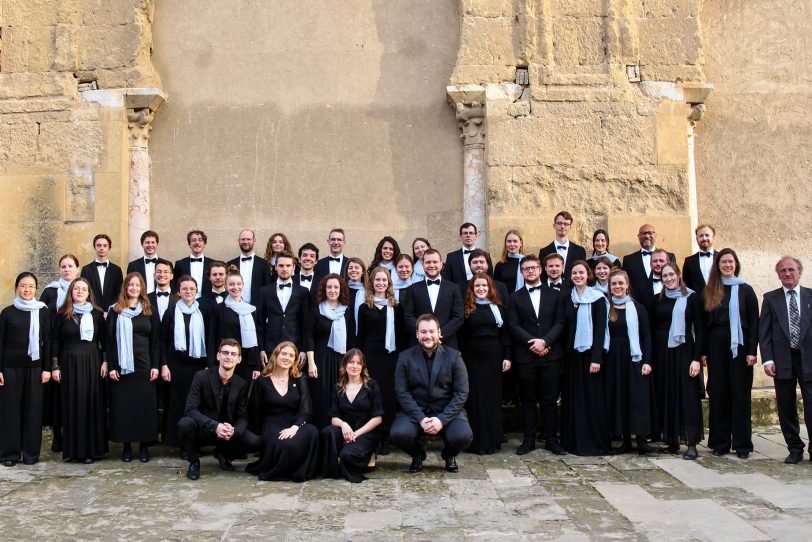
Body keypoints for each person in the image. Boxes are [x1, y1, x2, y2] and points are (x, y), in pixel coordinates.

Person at [391, 315, 472, 473]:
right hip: (415, 411)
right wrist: (420, 418)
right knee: (398, 434)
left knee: (463, 436)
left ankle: (448, 455)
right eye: (423, 332)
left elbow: (462, 392)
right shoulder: (404, 357)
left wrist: (442, 419)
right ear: (417, 334)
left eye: (431, 331)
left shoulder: (455, 357)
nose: (427, 336)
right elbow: (401, 392)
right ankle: (418, 455)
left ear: (439, 332)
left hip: (446, 410)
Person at [506, 254, 567, 455]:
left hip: (550, 355)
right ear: (522, 272)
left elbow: (560, 322)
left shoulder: (556, 295)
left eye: (533, 268)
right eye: (526, 269)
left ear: (541, 270)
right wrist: (533, 343)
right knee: (528, 399)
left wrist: (546, 342)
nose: (530, 271)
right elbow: (513, 325)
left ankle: (551, 439)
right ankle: (528, 439)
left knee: (549, 400)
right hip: (526, 356)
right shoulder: (514, 297)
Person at [701, 248, 759, 458]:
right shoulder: (710, 290)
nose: (727, 265)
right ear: (718, 266)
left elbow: (754, 323)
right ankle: (720, 442)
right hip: (716, 345)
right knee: (719, 393)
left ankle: (742, 444)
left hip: (740, 347)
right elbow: (704, 324)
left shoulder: (746, 290)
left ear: (736, 265)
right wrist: (704, 351)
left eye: (730, 262)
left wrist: (752, 351)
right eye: (723, 262)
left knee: (740, 394)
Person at [178, 339, 260, 480]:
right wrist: (215, 426)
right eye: (225, 353)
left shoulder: (242, 384)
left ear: (239, 359)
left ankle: (224, 454)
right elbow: (190, 409)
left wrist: (234, 431)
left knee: (254, 441)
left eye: (233, 354)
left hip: (227, 433)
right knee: (185, 424)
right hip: (205, 428)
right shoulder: (201, 377)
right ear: (218, 356)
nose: (229, 357)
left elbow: (242, 417)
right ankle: (194, 462)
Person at [759, 256, 812, 464]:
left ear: (799, 272)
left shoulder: (810, 296)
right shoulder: (771, 299)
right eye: (783, 270)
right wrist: (767, 360)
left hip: (808, 358)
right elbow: (764, 333)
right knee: (786, 406)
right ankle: (794, 448)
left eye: (791, 269)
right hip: (782, 359)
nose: (787, 273)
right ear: (778, 275)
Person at [51, 277, 108, 463]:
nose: (80, 292)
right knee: (72, 405)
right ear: (71, 292)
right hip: (69, 363)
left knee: (91, 404)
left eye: (84, 289)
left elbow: (105, 342)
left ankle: (90, 451)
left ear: (89, 293)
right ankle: (73, 450)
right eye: (76, 289)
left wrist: (105, 362)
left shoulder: (97, 314)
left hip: (92, 361)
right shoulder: (62, 315)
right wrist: (55, 366)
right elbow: (55, 342)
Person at [246, 342, 319, 482]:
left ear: (295, 360)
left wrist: (295, 427)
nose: (287, 358)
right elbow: (255, 411)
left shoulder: (299, 378)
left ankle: (300, 471)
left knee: (312, 432)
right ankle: (283, 471)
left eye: (291, 355)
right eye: (284, 354)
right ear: (276, 356)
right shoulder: (262, 380)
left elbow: (306, 410)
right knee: (285, 444)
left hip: (294, 422)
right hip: (271, 423)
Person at [106, 272, 160, 463]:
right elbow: (109, 341)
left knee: (144, 405)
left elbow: (155, 341)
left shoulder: (149, 309)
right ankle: (127, 446)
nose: (134, 288)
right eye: (131, 285)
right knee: (124, 407)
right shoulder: (115, 310)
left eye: (137, 285)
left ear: (142, 288)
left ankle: (144, 446)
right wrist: (112, 366)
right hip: (122, 366)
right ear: (125, 287)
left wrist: (155, 366)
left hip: (144, 365)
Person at [652, 262, 704, 460]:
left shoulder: (691, 298)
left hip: (684, 351)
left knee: (687, 395)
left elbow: (700, 331)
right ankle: (672, 440)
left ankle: (691, 444)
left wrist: (696, 359)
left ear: (678, 274)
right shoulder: (657, 299)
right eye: (664, 276)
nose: (668, 279)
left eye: (671, 275)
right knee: (667, 393)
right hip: (661, 351)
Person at [0, 272, 51, 466]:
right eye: (23, 286)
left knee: (33, 411)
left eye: (30, 286)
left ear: (36, 289)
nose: (27, 289)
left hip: (36, 369)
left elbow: (48, 341)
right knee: (10, 412)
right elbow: (1, 342)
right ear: (16, 288)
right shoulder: (7, 313)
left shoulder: (42, 311)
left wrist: (47, 368)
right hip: (11, 368)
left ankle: (30, 454)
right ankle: (9, 454)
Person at [560, 261, 610, 456]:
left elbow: (600, 330)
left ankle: (592, 442)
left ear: (588, 274)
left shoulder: (597, 299)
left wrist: (597, 358)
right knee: (573, 399)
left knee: (591, 399)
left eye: (581, 272)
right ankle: (573, 441)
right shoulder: (567, 298)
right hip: (573, 356)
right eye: (574, 273)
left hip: (591, 356)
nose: (578, 276)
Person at [604, 269, 655, 455]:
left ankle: (641, 440)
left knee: (637, 397)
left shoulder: (638, 308)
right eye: (614, 284)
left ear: (627, 286)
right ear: (610, 288)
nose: (617, 287)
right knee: (620, 397)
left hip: (635, 357)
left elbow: (646, 337)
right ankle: (625, 440)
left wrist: (647, 361)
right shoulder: (606, 307)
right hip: (613, 359)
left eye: (620, 283)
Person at [460, 273, 511, 454]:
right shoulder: (467, 309)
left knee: (492, 398)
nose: (481, 289)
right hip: (472, 359)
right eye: (477, 286)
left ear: (490, 288)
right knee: (475, 399)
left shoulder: (498, 308)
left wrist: (507, 357)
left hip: (494, 358)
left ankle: (493, 439)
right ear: (472, 289)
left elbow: (505, 335)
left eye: (484, 286)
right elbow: (462, 337)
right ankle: (476, 441)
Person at [357, 267, 403, 455]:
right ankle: (373, 435)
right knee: (372, 395)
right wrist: (360, 359)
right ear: (372, 283)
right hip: (371, 356)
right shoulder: (364, 307)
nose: (381, 283)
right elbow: (361, 336)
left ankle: (386, 436)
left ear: (389, 283)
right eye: (377, 280)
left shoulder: (397, 307)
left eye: (384, 280)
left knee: (389, 396)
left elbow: (401, 335)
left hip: (391, 357)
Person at [160, 276, 208, 452]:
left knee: (196, 404)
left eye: (192, 289)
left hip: (198, 366)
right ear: (178, 292)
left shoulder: (203, 311)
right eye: (185, 289)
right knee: (178, 404)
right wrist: (164, 365)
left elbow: (208, 339)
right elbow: (162, 341)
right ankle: (181, 444)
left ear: (196, 292)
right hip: (176, 366)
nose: (188, 292)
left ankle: (196, 442)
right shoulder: (171, 312)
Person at [320, 349, 384, 483]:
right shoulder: (338, 387)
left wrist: (355, 434)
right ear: (345, 365)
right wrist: (344, 425)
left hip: (366, 431)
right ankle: (332, 469)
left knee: (347, 455)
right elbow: (334, 417)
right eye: (351, 362)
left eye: (358, 363)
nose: (354, 366)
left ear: (363, 367)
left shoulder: (371, 385)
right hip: (346, 429)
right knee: (327, 432)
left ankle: (361, 455)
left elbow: (378, 418)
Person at [41, 253, 80, 453]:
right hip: (55, 345)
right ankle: (57, 434)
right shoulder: (50, 292)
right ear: (59, 270)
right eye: (63, 266)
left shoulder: (83, 290)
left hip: (76, 348)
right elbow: (41, 317)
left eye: (70, 266)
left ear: (77, 269)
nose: (67, 269)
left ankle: (74, 433)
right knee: (57, 394)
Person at [306, 274, 355, 429]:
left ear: (341, 290)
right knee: (321, 394)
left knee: (340, 393)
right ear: (324, 289)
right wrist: (311, 363)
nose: (332, 290)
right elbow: (309, 338)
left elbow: (352, 339)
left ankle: (339, 429)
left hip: (342, 360)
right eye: (329, 287)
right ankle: (320, 428)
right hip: (320, 359)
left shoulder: (347, 311)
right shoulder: (316, 311)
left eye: (336, 287)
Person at [257, 251, 312, 368]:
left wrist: (303, 349)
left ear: (293, 267)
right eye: (281, 265)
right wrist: (261, 349)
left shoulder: (303, 292)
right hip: (270, 348)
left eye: (288, 266)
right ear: (275, 267)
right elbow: (260, 323)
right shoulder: (265, 291)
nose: (284, 269)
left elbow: (306, 324)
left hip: (294, 348)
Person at [401, 249, 465, 348]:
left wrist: (438, 336)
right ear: (423, 265)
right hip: (419, 345)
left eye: (435, 262)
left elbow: (458, 317)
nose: (431, 265)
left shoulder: (454, 288)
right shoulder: (412, 289)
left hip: (447, 344)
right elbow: (408, 317)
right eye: (428, 262)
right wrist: (424, 335)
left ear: (441, 264)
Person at [207, 266, 261, 383]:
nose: (235, 287)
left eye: (238, 284)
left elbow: (256, 339)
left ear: (243, 285)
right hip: (224, 360)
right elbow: (212, 337)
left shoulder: (251, 309)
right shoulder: (218, 309)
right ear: (225, 286)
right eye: (231, 284)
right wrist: (211, 364)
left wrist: (257, 366)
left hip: (246, 361)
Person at [622, 224, 675, 305]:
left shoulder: (670, 256)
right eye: (643, 233)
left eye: (650, 233)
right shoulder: (628, 260)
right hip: (637, 307)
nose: (647, 236)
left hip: (665, 305)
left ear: (656, 236)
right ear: (638, 236)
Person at [80, 233, 123, 316]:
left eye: (105, 245)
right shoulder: (86, 269)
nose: (102, 248)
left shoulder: (117, 270)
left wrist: (110, 310)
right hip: (91, 312)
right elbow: (85, 291)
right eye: (99, 245)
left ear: (109, 248)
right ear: (94, 248)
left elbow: (119, 292)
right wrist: (95, 310)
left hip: (112, 312)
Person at [444, 223, 492, 295]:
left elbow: (490, 277)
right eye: (465, 233)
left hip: (483, 293)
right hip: (459, 295)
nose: (468, 235)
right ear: (460, 236)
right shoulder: (451, 257)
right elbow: (447, 280)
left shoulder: (485, 255)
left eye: (471, 233)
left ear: (476, 236)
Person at [227, 229, 272, 305]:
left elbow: (268, 287)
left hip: (257, 308)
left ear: (254, 241)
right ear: (238, 241)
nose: (245, 242)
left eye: (248, 239)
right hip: (234, 306)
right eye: (243, 239)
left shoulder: (263, 264)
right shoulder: (230, 264)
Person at [539, 211, 587, 281]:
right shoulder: (544, 252)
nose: (562, 226)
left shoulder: (580, 251)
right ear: (554, 225)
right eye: (559, 223)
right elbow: (543, 276)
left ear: (570, 227)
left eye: (566, 224)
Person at [174, 230, 216, 298]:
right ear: (189, 244)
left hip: (208, 303)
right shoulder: (180, 264)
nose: (197, 242)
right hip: (186, 302)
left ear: (204, 244)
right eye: (193, 240)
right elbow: (176, 285)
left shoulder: (213, 264)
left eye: (200, 240)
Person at [127, 229, 161, 294]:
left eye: (153, 242)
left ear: (157, 244)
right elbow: (129, 286)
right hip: (139, 301)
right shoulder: (133, 265)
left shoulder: (166, 264)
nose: (150, 245)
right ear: (142, 244)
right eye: (147, 242)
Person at [344, 257, 368, 330]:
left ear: (363, 271)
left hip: (362, 333)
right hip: (344, 332)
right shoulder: (341, 290)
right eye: (350, 268)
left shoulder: (369, 292)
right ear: (347, 271)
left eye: (357, 268)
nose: (353, 270)